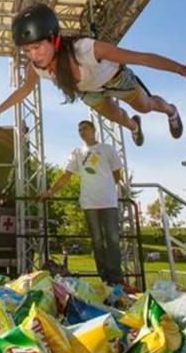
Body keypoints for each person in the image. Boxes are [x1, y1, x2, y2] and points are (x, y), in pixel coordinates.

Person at [0, 3, 186, 146]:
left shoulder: (88, 49)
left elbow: (141, 57)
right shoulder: (35, 68)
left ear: (54, 39)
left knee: (146, 106)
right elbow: (24, 90)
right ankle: (134, 126)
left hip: (116, 80)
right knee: (117, 118)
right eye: (27, 50)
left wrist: (183, 70)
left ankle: (171, 111)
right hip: (90, 92)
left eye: (37, 47)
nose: (33, 55)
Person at [38, 120, 124, 285]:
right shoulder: (77, 153)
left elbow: (117, 175)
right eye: (79, 130)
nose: (82, 132)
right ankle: (105, 278)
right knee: (97, 241)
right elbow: (66, 176)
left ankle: (117, 280)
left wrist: (107, 187)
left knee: (113, 239)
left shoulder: (107, 149)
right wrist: (50, 192)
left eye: (85, 128)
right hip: (89, 202)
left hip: (108, 201)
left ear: (93, 130)